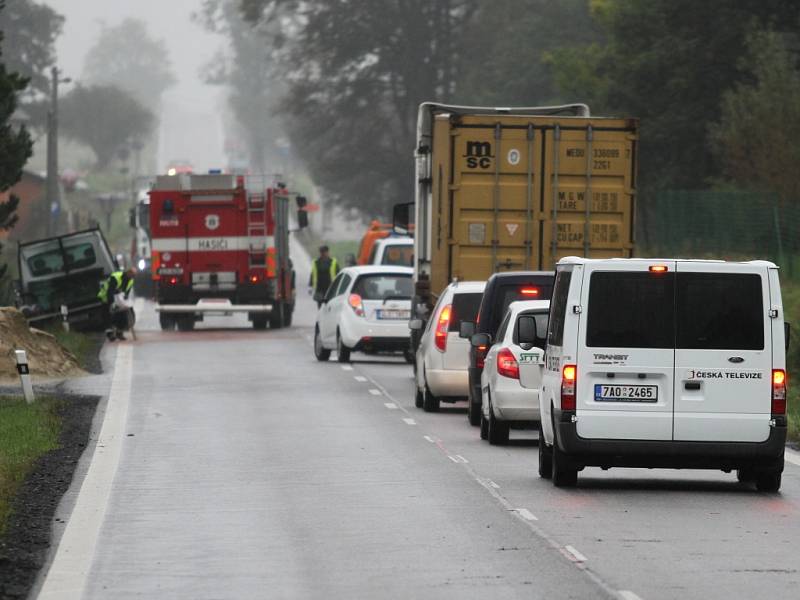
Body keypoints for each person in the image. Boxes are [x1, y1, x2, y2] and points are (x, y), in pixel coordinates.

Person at [98, 267, 135, 341]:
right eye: (132, 275)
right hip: (106, 297)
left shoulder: (131, 281)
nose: (133, 277)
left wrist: (125, 301)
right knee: (108, 316)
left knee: (121, 314)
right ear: (128, 273)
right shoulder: (116, 277)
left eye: (134, 275)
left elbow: (126, 292)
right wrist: (112, 303)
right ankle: (110, 334)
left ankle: (119, 332)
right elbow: (110, 291)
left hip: (118, 298)